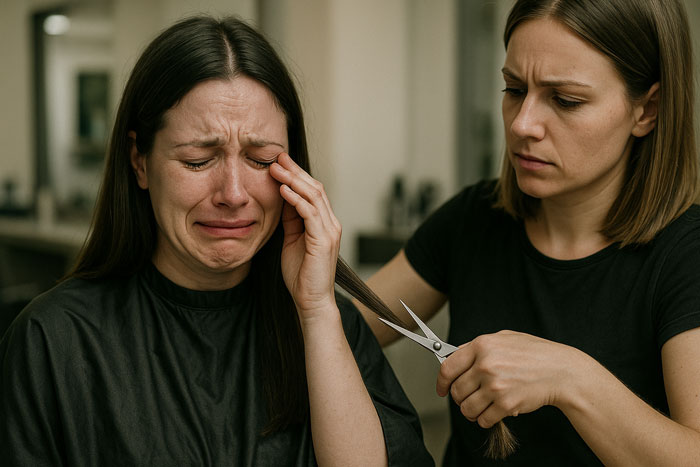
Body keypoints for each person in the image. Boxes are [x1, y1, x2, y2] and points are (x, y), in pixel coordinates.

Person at [0, 16, 433, 467]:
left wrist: (318, 311)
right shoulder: (53, 341)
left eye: (262, 160)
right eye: (198, 160)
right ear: (139, 161)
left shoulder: (330, 325)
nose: (233, 194)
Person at [355, 0, 700, 464]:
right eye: (514, 88)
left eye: (566, 100)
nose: (522, 124)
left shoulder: (686, 255)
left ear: (647, 110)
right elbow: (340, 332)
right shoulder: (473, 219)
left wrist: (571, 377)